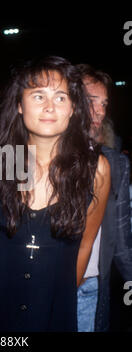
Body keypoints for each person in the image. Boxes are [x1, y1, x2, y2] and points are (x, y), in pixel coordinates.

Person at [0, 56, 110, 332]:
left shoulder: (96, 170)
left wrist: (61, 292)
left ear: (72, 108)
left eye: (60, 97)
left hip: (54, 311)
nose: (49, 107)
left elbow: (85, 245)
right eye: (38, 96)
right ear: (19, 106)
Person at [76, 63, 132, 331]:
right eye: (90, 101)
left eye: (104, 103)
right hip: (38, 287)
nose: (99, 111)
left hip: (89, 289)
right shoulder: (34, 155)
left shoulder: (115, 164)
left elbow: (122, 241)